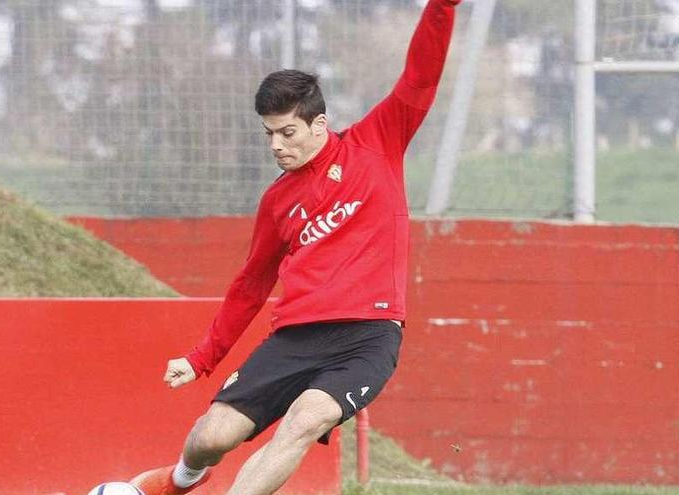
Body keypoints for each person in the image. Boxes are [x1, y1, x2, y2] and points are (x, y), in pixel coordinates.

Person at [130, 1, 461, 493]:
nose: (277, 146)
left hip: (368, 338)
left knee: (304, 421)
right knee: (210, 438)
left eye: (288, 132)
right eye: (269, 135)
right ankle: (178, 482)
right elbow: (250, 285)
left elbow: (421, 76)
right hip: (294, 339)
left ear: (319, 123)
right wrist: (202, 358)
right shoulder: (277, 201)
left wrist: (443, 6)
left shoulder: (378, 143)